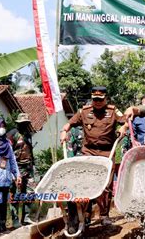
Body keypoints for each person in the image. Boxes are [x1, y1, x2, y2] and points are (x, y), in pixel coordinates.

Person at [60, 86, 124, 232]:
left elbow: (126, 122)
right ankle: (86, 215)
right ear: (92, 98)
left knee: (105, 186)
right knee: (86, 184)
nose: (97, 102)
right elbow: (69, 123)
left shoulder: (113, 111)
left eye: (100, 99)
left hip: (107, 153)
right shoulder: (84, 111)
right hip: (88, 152)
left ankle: (104, 216)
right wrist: (64, 131)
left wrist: (124, 128)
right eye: (95, 99)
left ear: (105, 98)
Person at [7, 113, 36, 227]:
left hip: (28, 168)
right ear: (18, 123)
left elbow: (30, 150)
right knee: (14, 194)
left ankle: (27, 217)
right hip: (16, 169)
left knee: (30, 194)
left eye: (26, 123)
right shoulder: (12, 134)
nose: (25, 125)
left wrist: (33, 164)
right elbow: (7, 152)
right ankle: (15, 220)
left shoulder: (28, 134)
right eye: (22, 123)